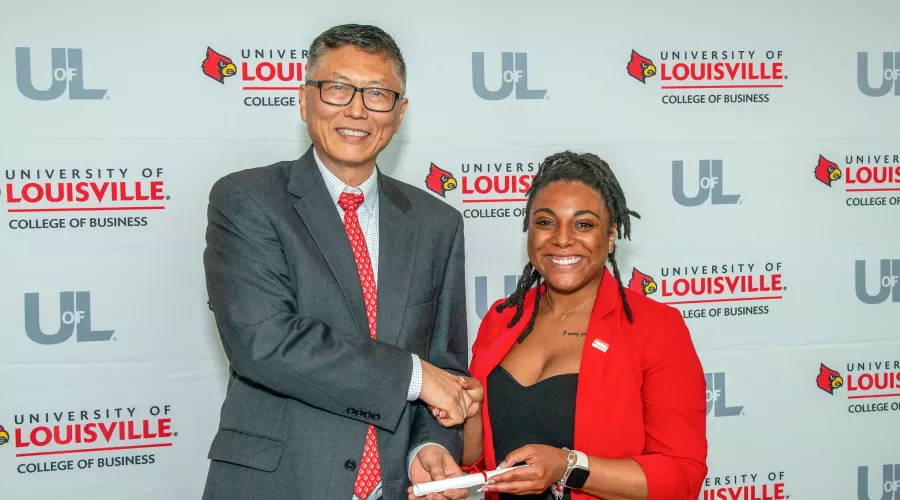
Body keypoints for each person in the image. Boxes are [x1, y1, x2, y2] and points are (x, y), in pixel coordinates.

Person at [202, 24, 475, 500]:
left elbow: (444, 366)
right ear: (305, 99)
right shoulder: (247, 198)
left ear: (400, 112)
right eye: (337, 88)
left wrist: (426, 449)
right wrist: (414, 376)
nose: (356, 109)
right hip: (278, 484)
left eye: (377, 94)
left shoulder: (437, 222)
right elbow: (263, 341)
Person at [416, 151, 707, 500]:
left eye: (583, 224)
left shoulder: (655, 328)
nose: (563, 239)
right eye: (546, 222)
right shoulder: (502, 318)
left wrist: (569, 467)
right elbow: (478, 461)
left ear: (611, 235)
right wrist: (466, 422)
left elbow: (682, 475)